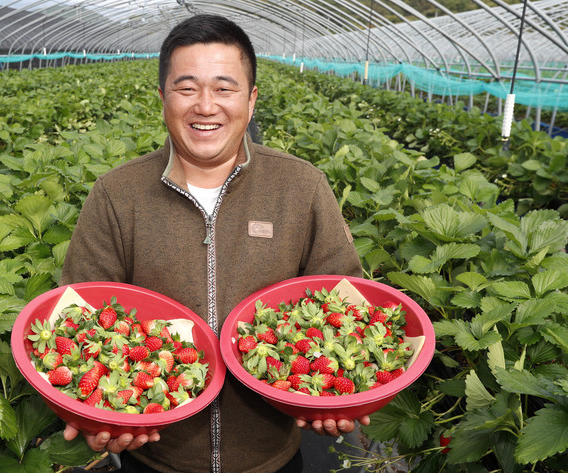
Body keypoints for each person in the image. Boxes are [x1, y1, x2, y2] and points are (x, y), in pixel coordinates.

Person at [60, 14, 367, 473]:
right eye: (187, 88)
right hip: (153, 453)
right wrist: (92, 411)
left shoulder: (301, 186)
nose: (206, 106)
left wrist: (342, 388)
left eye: (224, 88)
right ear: (162, 97)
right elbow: (78, 318)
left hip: (272, 458)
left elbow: (346, 302)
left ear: (252, 99)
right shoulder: (116, 195)